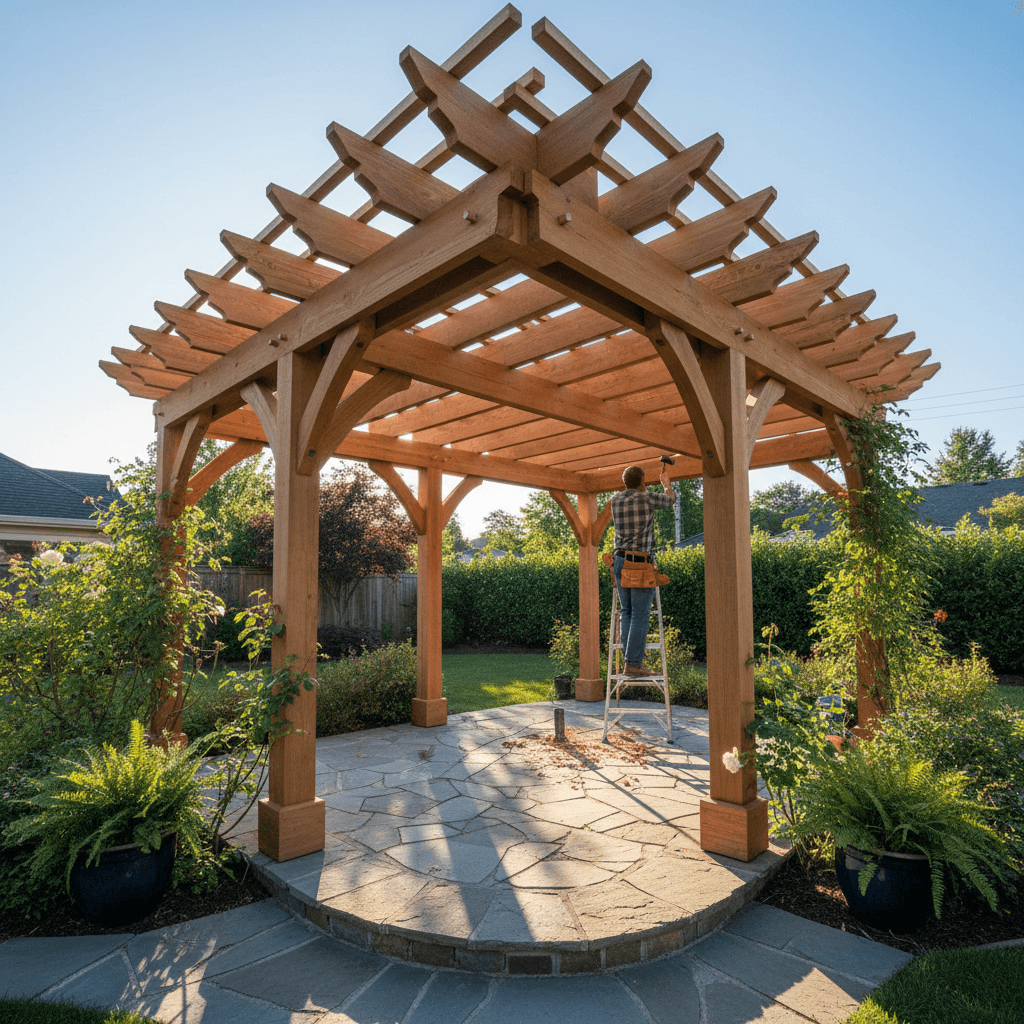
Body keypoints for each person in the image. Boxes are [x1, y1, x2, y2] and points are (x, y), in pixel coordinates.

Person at [610, 464, 675, 677]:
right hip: (639, 563)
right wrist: (666, 484)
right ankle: (634, 664)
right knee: (640, 614)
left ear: (624, 482)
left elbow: (635, 494)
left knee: (627, 611)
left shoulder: (615, 500)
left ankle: (631, 659)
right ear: (642, 481)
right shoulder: (647, 498)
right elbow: (671, 500)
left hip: (619, 560)